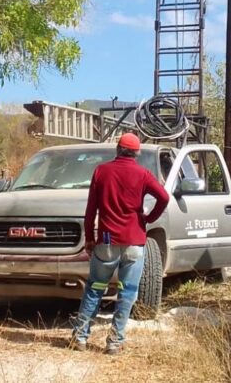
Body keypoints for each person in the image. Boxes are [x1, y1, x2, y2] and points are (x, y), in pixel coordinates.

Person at [70, 133, 170, 355]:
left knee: (95, 288)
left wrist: (89, 238)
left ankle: (80, 338)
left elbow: (90, 211)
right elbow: (164, 197)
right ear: (136, 153)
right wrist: (148, 219)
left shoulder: (101, 171)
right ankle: (115, 343)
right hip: (134, 242)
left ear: (117, 149)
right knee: (127, 292)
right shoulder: (143, 174)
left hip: (106, 242)